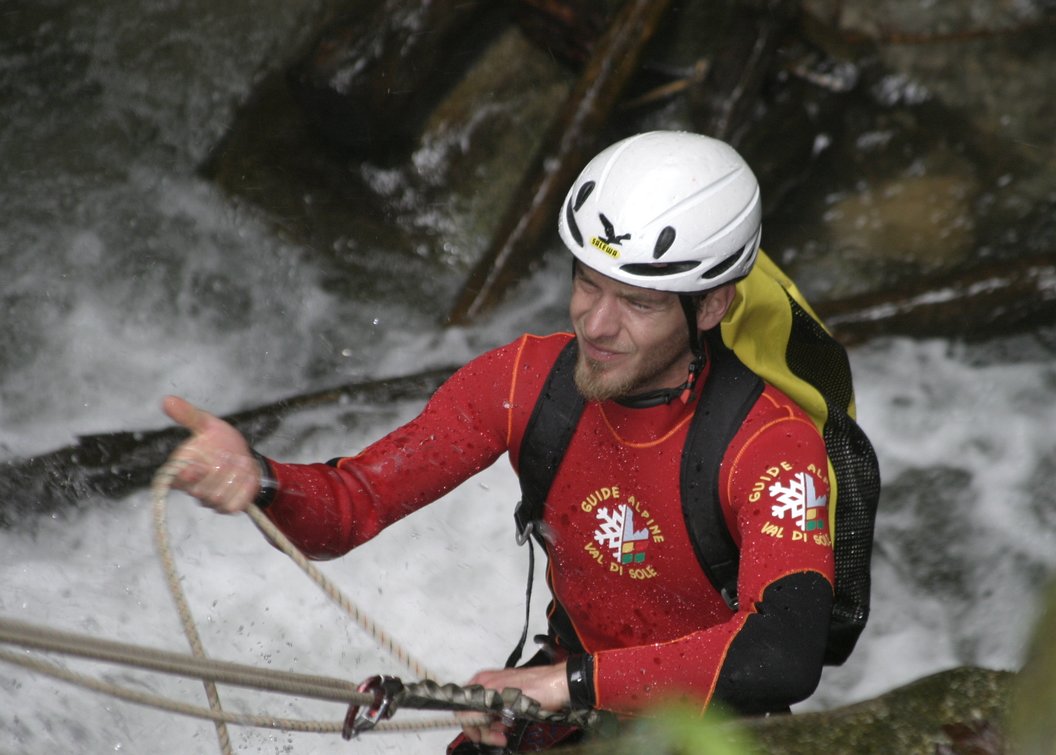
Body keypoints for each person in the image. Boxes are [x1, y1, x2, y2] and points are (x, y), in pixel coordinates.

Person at [162, 131, 841, 751]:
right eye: (587, 283)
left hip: (708, 729)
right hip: (567, 704)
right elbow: (350, 506)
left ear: (711, 305)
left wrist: (563, 683)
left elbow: (783, 648)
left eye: (638, 302)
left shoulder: (769, 445)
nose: (597, 324)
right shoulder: (523, 382)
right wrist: (260, 477)